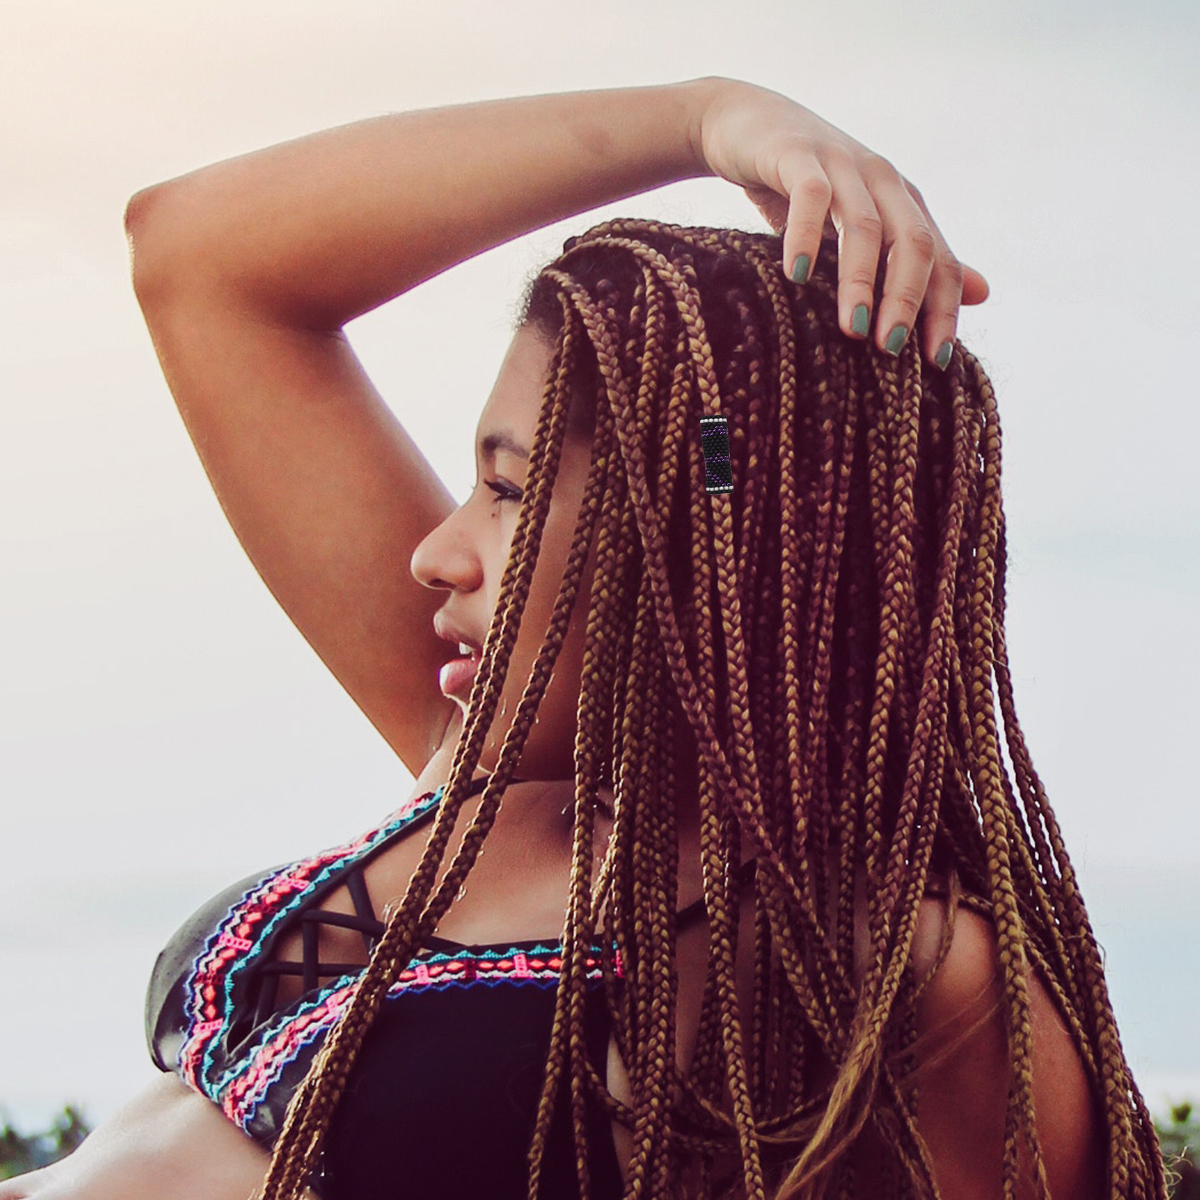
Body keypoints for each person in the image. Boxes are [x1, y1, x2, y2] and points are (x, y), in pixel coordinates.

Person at [0, 76, 1165, 1200]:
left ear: (713, 542)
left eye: (506, 491)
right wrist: (703, 114)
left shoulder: (903, 974)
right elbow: (196, 255)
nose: (437, 552)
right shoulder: (483, 763)